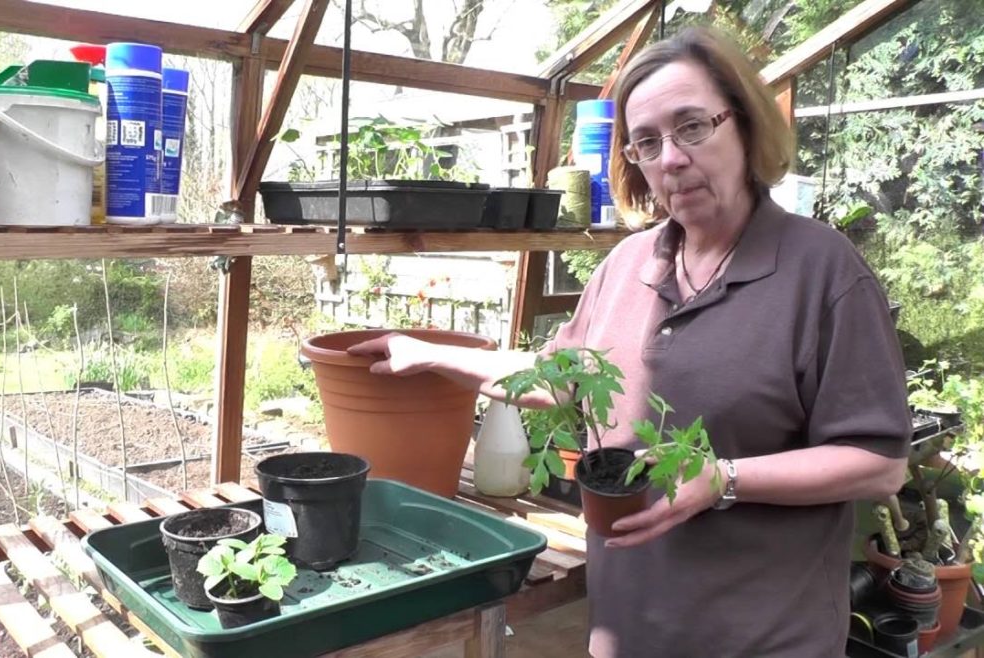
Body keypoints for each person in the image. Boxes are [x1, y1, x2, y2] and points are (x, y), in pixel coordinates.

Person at [347, 26, 911, 658]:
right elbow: (559, 381)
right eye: (646, 142)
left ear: (746, 125)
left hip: (763, 636)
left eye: (693, 126)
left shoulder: (822, 272)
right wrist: (427, 353)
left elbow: (879, 462)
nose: (670, 157)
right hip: (628, 630)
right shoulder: (628, 263)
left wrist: (721, 478)